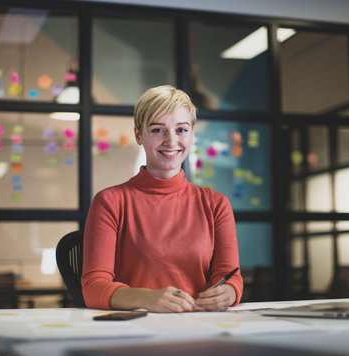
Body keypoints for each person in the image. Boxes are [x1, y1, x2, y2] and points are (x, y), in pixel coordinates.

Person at [82, 85, 242, 313]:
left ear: (192, 134)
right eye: (158, 130)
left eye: (181, 130)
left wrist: (228, 293)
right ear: (139, 135)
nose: (171, 141)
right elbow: (93, 288)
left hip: (198, 328)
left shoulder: (216, 204)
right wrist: (146, 298)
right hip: (133, 332)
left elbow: (231, 277)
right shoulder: (110, 202)